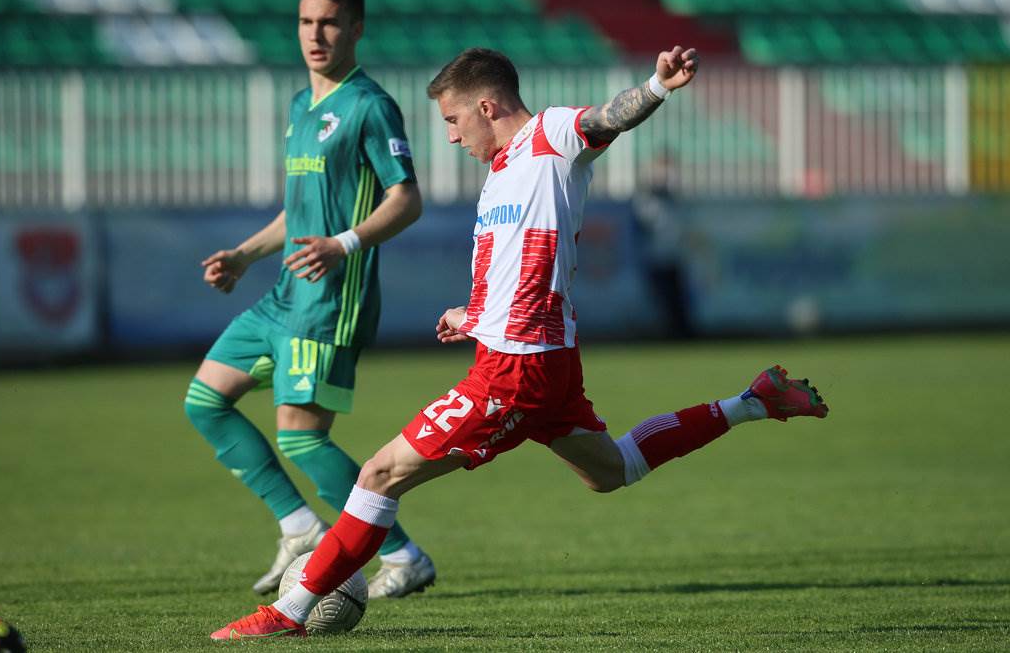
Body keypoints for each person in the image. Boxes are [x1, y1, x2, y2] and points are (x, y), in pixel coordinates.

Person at [210, 45, 830, 640]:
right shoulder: (501, 175)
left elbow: (605, 118)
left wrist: (657, 86)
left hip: (517, 368)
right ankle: (753, 401)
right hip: (542, 358)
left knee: (379, 474)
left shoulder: (550, 137)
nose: (452, 136)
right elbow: (517, 268)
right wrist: (472, 314)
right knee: (612, 470)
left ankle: (291, 611)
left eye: (453, 120)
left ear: (486, 107)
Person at [184, 0, 435, 601]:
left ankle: (404, 555)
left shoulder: (369, 105)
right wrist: (244, 255)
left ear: (355, 28)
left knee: (301, 434)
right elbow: (299, 214)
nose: (315, 34)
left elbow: (406, 199)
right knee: (205, 401)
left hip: (331, 299)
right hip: (284, 294)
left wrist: (344, 244)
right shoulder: (303, 107)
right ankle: (299, 527)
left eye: (328, 22)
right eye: (305, 22)